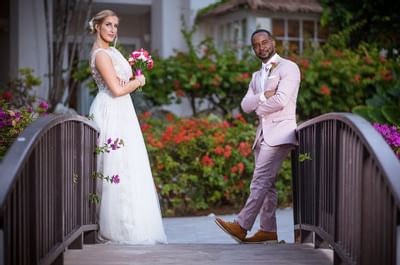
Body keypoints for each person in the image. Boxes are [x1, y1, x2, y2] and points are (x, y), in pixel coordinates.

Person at [88, 9, 167, 244]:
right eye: (108, 25)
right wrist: (138, 81)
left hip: (123, 110)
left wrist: (129, 79)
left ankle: (132, 222)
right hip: (111, 109)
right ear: (97, 27)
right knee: (117, 165)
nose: (113, 30)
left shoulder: (111, 51)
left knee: (130, 165)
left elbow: (120, 82)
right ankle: (118, 227)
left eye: (115, 25)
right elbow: (117, 89)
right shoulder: (101, 54)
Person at [215, 29, 300, 244]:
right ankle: (268, 231)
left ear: (273, 41)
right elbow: (245, 105)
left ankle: (242, 226)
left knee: (260, 180)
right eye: (256, 45)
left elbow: (281, 100)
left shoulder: (288, 67)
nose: (261, 47)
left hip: (281, 133)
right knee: (267, 185)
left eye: (264, 42)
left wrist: (260, 107)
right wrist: (262, 95)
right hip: (262, 135)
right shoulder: (256, 76)